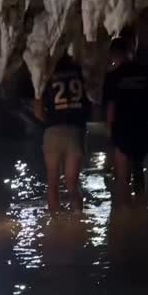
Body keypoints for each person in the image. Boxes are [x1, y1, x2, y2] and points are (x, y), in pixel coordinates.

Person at [102, 36, 148, 202]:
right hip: (144, 129)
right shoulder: (147, 72)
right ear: (130, 52)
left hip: (123, 130)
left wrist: (111, 136)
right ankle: (141, 206)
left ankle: (126, 216)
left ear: (113, 54)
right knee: (138, 170)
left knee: (123, 177)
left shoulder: (113, 76)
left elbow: (110, 108)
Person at [35, 51, 91, 212]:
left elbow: (37, 110)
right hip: (75, 131)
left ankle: (54, 224)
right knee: (72, 184)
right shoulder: (79, 71)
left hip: (53, 130)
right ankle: (78, 222)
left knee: (52, 183)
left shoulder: (45, 75)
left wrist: (51, 121)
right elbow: (91, 101)